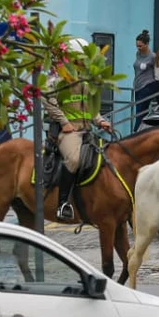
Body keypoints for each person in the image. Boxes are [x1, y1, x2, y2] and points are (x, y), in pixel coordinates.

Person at [44, 38, 113, 221]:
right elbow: (47, 101)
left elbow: (91, 105)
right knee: (74, 160)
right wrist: (64, 122)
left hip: (87, 129)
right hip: (68, 132)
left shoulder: (85, 78)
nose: (85, 61)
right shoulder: (57, 79)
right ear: (73, 58)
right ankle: (63, 204)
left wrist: (100, 120)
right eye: (82, 58)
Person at [132, 30, 159, 132]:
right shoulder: (138, 54)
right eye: (137, 46)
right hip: (138, 86)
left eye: (141, 46)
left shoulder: (152, 57)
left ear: (147, 44)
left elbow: (158, 72)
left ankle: (136, 131)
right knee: (138, 110)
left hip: (147, 85)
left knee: (141, 111)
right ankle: (140, 131)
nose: (139, 48)